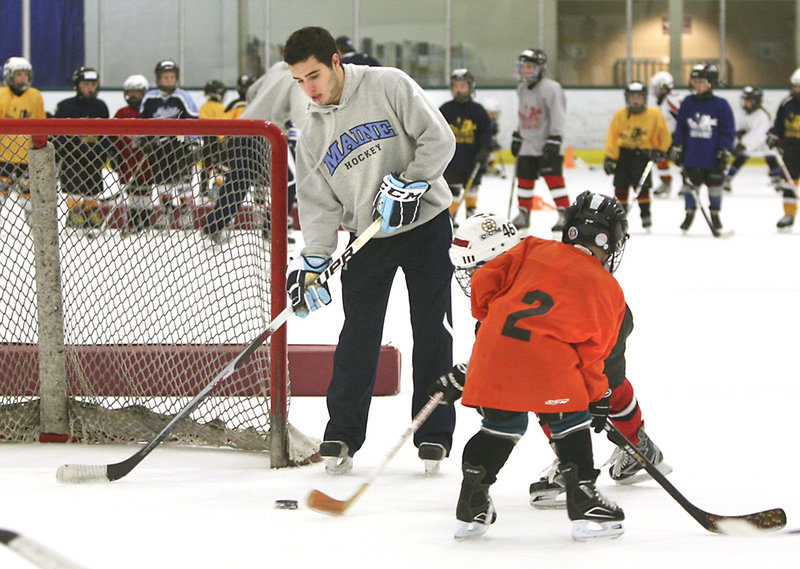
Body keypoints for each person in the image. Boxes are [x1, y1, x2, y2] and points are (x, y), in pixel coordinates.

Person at [283, 26, 456, 475]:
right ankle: (342, 433)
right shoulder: (312, 130)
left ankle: (434, 434)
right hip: (367, 237)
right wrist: (315, 258)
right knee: (358, 336)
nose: (310, 89)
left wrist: (414, 182)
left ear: (337, 61)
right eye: (299, 81)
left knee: (432, 329)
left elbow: (439, 139)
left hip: (426, 226)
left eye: (315, 75)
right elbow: (317, 201)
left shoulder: (389, 84)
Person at [430, 192, 629, 541]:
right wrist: (597, 396)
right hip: (550, 369)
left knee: (498, 427)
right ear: (608, 242)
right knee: (571, 422)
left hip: (492, 354)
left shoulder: (532, 246)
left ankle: (473, 500)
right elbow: (592, 353)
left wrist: (491, 324)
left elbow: (486, 280)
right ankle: (584, 504)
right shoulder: (608, 289)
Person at [669, 63, 735, 233]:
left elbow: (728, 130)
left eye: (702, 82)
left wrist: (724, 149)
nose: (697, 85)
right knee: (690, 186)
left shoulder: (721, 105)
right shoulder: (688, 103)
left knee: (715, 185)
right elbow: (681, 127)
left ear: (712, 83)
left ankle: (715, 214)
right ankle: (689, 213)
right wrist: (677, 145)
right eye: (695, 82)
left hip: (713, 156)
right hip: (692, 155)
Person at [510, 49, 569, 232]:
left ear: (540, 68)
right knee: (524, 180)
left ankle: (564, 213)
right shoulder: (521, 88)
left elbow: (558, 114)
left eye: (530, 67)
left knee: (554, 180)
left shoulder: (551, 88)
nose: (526, 70)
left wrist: (555, 137)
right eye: (523, 66)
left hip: (547, 143)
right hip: (528, 143)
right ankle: (523, 213)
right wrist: (518, 134)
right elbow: (524, 114)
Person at [603, 81, 672, 231]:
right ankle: (619, 218)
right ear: (627, 98)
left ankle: (646, 216)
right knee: (620, 187)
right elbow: (613, 137)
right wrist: (610, 157)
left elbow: (664, 134)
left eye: (639, 97)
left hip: (642, 156)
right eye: (632, 97)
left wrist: (661, 149)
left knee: (643, 188)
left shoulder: (654, 114)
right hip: (623, 155)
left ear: (645, 98)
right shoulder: (621, 114)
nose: (635, 100)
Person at [139, 60, 199, 229]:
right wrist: (145, 140)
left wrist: (193, 142)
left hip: (181, 147)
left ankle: (186, 213)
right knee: (162, 182)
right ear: (159, 78)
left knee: (184, 182)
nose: (168, 80)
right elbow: (142, 123)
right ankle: (165, 213)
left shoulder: (183, 97)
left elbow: (193, 121)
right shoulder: (150, 98)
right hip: (158, 148)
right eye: (165, 77)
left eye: (172, 77)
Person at [53, 66, 111, 233]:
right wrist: (70, 148)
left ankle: (91, 213)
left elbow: (107, 133)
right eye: (86, 84)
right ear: (77, 86)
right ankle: (75, 214)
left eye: (93, 84)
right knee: (73, 185)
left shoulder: (101, 106)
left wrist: (103, 150)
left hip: (94, 156)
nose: (90, 88)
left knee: (93, 185)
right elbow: (59, 135)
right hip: (73, 157)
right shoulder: (66, 106)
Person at [439, 68, 492, 225]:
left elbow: (486, 133)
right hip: (452, 160)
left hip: (472, 158)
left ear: (470, 87)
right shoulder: (445, 109)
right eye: (456, 86)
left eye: (463, 86)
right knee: (452, 189)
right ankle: (450, 216)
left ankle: (471, 215)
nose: (459, 90)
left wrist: (484, 150)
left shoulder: (478, 111)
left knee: (472, 187)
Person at [0, 56, 46, 219]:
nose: (23, 78)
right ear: (9, 76)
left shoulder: (35, 95)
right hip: (2, 157)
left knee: (30, 198)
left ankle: (36, 228)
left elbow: (42, 125)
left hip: (27, 157)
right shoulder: (1, 95)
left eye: (25, 74)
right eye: (19, 74)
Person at [111, 74, 154, 234]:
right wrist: (114, 157)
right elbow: (113, 139)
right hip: (127, 162)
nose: (134, 95)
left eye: (137, 91)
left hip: (146, 163)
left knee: (145, 193)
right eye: (130, 92)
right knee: (131, 194)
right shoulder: (122, 113)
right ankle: (132, 222)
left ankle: (145, 221)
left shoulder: (148, 111)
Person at [725, 86, 783, 195]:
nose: (746, 104)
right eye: (745, 101)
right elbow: (733, 126)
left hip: (762, 142)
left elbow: (758, 134)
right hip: (745, 141)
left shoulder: (762, 116)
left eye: (749, 101)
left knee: (770, 156)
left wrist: (744, 144)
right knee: (741, 158)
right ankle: (727, 179)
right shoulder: (740, 113)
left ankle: (776, 179)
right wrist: (737, 137)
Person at [767, 69, 800, 230]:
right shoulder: (787, 103)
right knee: (789, 183)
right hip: (791, 149)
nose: (796, 90)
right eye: (795, 86)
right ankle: (789, 214)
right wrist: (774, 134)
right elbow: (778, 123)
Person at [649, 71, 682, 197]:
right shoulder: (662, 101)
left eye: (657, 88)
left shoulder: (672, 99)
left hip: (676, 137)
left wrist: (680, 138)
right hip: (665, 138)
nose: (655, 91)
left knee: (680, 161)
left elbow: (682, 117)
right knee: (660, 158)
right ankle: (666, 182)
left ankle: (686, 184)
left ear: (665, 87)